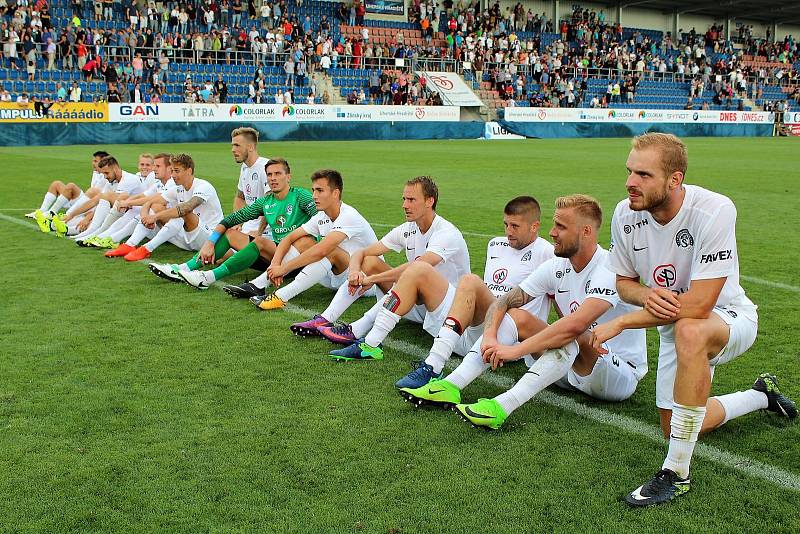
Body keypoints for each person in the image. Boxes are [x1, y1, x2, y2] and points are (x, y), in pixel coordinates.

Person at [590, 133, 797, 507]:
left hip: (728, 318)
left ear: (675, 179)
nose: (630, 183)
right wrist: (645, 294)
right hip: (672, 326)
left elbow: (700, 305)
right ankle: (758, 396)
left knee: (689, 329)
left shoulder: (714, 210)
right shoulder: (626, 214)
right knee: (679, 427)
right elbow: (624, 283)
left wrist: (622, 322)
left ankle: (676, 474)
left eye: (643, 174)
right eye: (629, 171)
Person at [411, 195, 648, 429]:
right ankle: (450, 386)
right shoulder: (557, 266)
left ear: (586, 231)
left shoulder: (608, 268)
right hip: (570, 369)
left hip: (616, 375)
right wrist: (491, 335)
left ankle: (501, 407)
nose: (552, 232)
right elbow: (503, 302)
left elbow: (576, 325)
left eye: (561, 226)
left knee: (573, 334)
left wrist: (516, 351)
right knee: (518, 315)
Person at [373, 196, 553, 388]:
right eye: (506, 224)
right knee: (419, 269)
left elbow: (560, 296)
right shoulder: (495, 244)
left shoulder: (547, 252)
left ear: (534, 226)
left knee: (469, 281)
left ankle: (433, 366)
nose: (508, 231)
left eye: (515, 226)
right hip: (475, 329)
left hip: (507, 337)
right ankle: (369, 341)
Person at [310, 177, 471, 362]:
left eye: (411, 200)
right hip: (419, 305)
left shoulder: (446, 232)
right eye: (404, 199)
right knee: (370, 261)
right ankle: (334, 321)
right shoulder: (408, 229)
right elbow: (361, 253)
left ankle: (359, 330)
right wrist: (354, 270)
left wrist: (372, 279)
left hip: (448, 310)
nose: (404, 205)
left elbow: (418, 267)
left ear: (429, 201)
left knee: (416, 271)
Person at [150, 158, 318, 289]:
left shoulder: (300, 196)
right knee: (230, 234)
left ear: (288, 176)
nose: (273, 178)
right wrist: (209, 242)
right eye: (269, 174)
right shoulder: (266, 201)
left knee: (259, 241)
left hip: (296, 260)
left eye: (278, 174)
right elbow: (229, 220)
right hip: (275, 255)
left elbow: (322, 220)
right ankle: (184, 268)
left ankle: (209, 277)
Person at [249, 169, 379, 308]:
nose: (314, 196)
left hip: (363, 280)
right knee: (303, 241)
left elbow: (321, 251)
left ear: (335, 193)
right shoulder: (321, 216)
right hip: (336, 276)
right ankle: (258, 284)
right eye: (313, 190)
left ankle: (280, 296)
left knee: (329, 250)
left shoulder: (349, 216)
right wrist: (275, 264)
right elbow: (289, 238)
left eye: (319, 191)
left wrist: (284, 269)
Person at [118, 154, 223, 261]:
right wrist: (145, 217)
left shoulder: (203, 186)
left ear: (189, 171)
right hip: (186, 239)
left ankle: (146, 249)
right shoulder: (178, 188)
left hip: (208, 239)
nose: (172, 175)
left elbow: (187, 208)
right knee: (158, 206)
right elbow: (149, 201)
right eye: (172, 171)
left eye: (177, 171)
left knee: (183, 212)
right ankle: (130, 245)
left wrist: (155, 217)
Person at [29, 150, 110, 228]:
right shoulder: (96, 172)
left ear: (103, 162)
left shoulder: (108, 176)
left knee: (71, 186)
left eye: (95, 161)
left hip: (91, 204)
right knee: (56, 184)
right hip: (86, 199)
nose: (93, 163)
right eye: (93, 161)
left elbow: (101, 198)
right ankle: (42, 210)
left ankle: (55, 213)